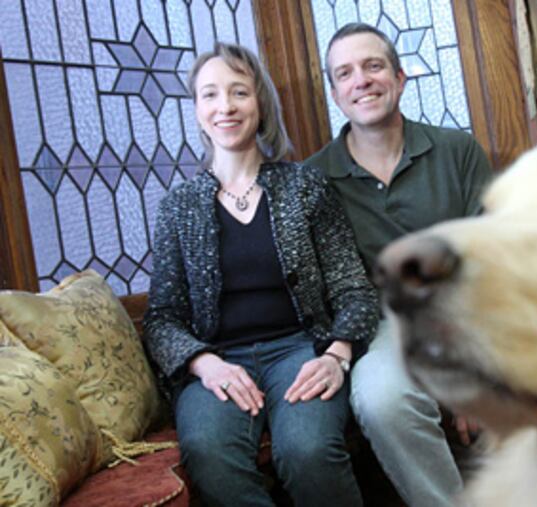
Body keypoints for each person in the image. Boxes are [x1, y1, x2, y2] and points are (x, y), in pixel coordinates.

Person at [143, 42, 377, 507]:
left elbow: (354, 287)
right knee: (208, 451)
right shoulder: (178, 207)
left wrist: (336, 355)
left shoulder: (305, 186)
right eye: (210, 95)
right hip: (217, 359)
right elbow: (162, 317)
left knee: (308, 451)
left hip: (298, 348)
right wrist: (202, 363)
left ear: (260, 104)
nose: (225, 107)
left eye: (239, 93)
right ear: (196, 111)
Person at [305, 23, 493, 507]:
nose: (361, 80)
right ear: (335, 94)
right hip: (382, 324)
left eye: (373, 66)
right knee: (381, 398)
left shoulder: (458, 152)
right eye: (345, 73)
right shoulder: (312, 179)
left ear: (400, 76)